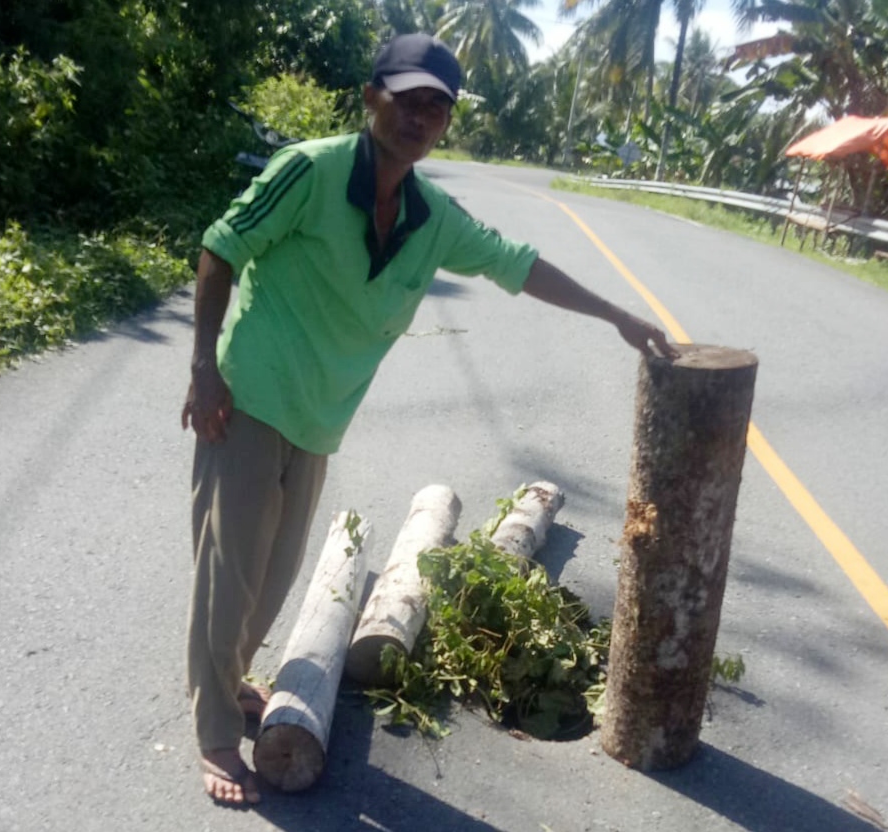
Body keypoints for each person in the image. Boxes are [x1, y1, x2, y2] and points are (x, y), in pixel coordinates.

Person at [181, 33, 676, 805]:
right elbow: (220, 248)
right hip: (247, 396)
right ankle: (214, 732)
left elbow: (517, 264)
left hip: (318, 416)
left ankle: (229, 676)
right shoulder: (310, 170)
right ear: (373, 96)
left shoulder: (430, 214)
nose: (421, 116)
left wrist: (613, 313)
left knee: (273, 575)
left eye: (437, 107)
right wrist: (203, 367)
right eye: (408, 98)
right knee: (231, 570)